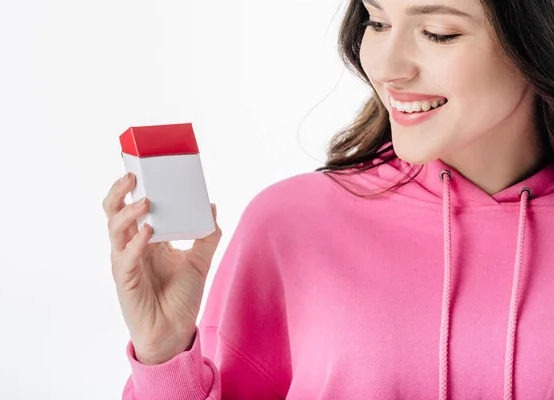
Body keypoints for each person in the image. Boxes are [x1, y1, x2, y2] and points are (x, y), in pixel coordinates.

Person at [101, 0, 554, 398]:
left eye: (438, 33)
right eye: (376, 22)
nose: (388, 66)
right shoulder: (292, 224)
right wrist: (164, 356)